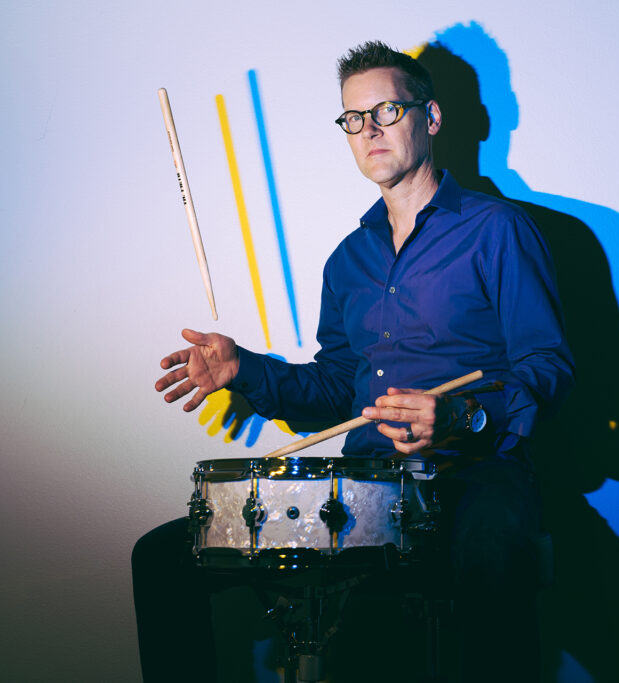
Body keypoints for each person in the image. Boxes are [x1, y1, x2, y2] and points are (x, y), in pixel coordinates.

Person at [132, 40, 573, 682]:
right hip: (367, 486)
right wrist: (244, 370)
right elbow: (338, 387)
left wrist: (462, 416)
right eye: (353, 119)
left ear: (433, 117)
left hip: (475, 474)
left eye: (387, 111)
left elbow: (548, 366)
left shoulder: (496, 229)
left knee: (491, 547)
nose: (369, 131)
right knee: (164, 557)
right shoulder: (348, 261)